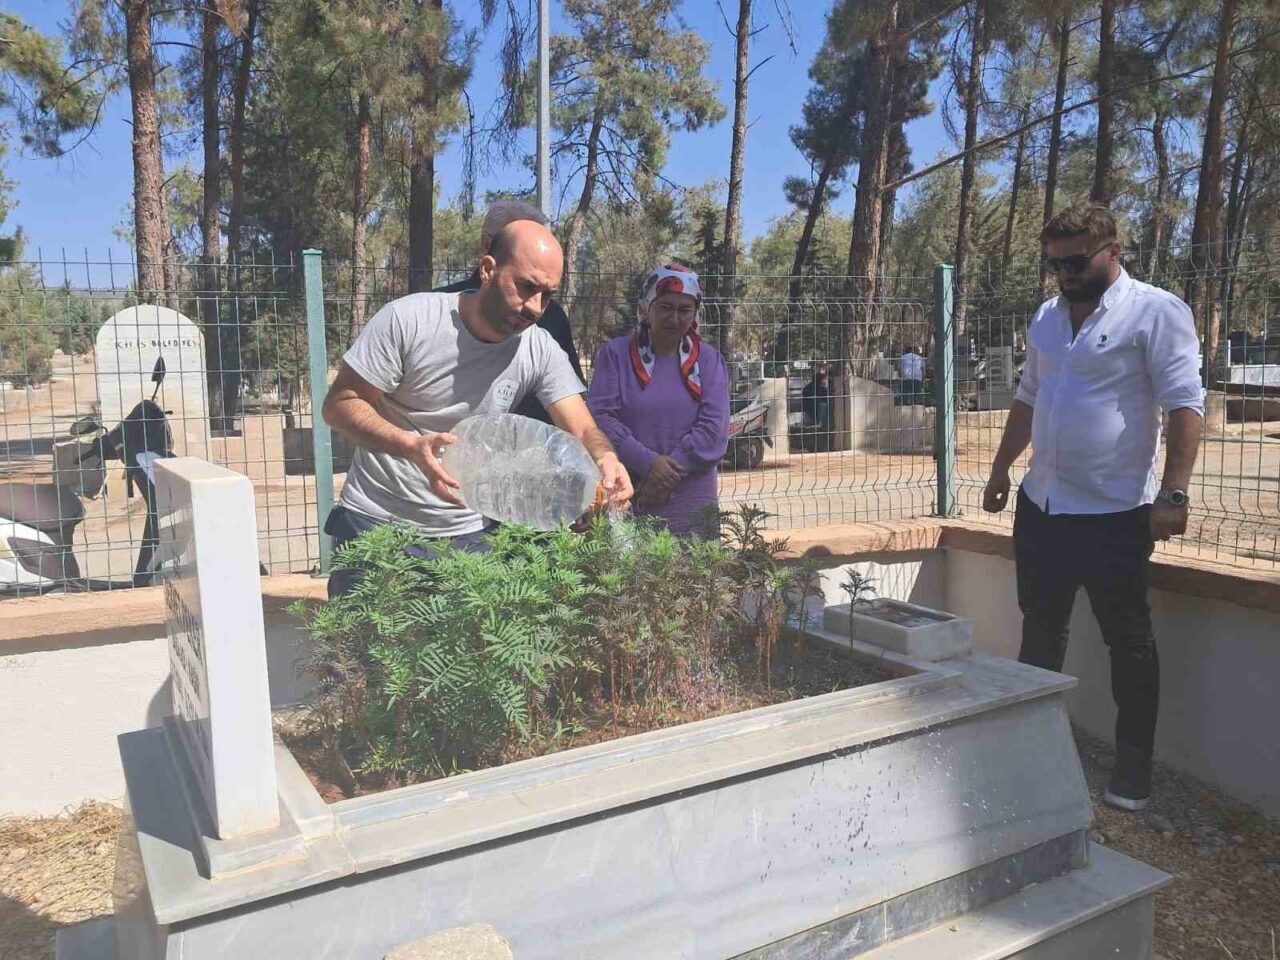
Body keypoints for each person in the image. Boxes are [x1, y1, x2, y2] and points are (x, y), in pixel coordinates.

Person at [981, 202, 1203, 812]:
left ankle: (1132, 772)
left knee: (1128, 643)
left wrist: (1174, 493)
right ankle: (1032, 751)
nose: (1064, 275)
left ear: (1113, 252)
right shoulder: (1048, 317)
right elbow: (1029, 395)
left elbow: (1185, 405)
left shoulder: (1156, 312)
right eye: (1055, 264)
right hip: (1042, 506)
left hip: (1115, 514)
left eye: (1076, 262)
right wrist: (1001, 468)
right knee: (1039, 632)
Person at [322, 220, 633, 597]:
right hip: (375, 527)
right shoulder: (409, 320)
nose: (535, 307)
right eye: (526, 287)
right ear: (487, 269)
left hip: (468, 537)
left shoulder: (538, 348)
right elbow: (340, 405)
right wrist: (409, 446)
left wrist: (607, 459)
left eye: (547, 295)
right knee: (363, 639)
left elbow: (582, 428)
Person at [587, 264, 729, 536]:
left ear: (695, 313)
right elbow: (601, 416)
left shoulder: (709, 361)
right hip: (630, 492)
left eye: (684, 310)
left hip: (692, 501)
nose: (674, 318)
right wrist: (649, 464)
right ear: (646, 308)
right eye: (665, 307)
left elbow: (714, 430)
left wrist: (664, 476)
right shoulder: (615, 355)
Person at [433, 199, 584, 423]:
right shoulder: (431, 313)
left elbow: (575, 409)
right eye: (519, 242)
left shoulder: (552, 317)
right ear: (487, 246)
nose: (534, 307)